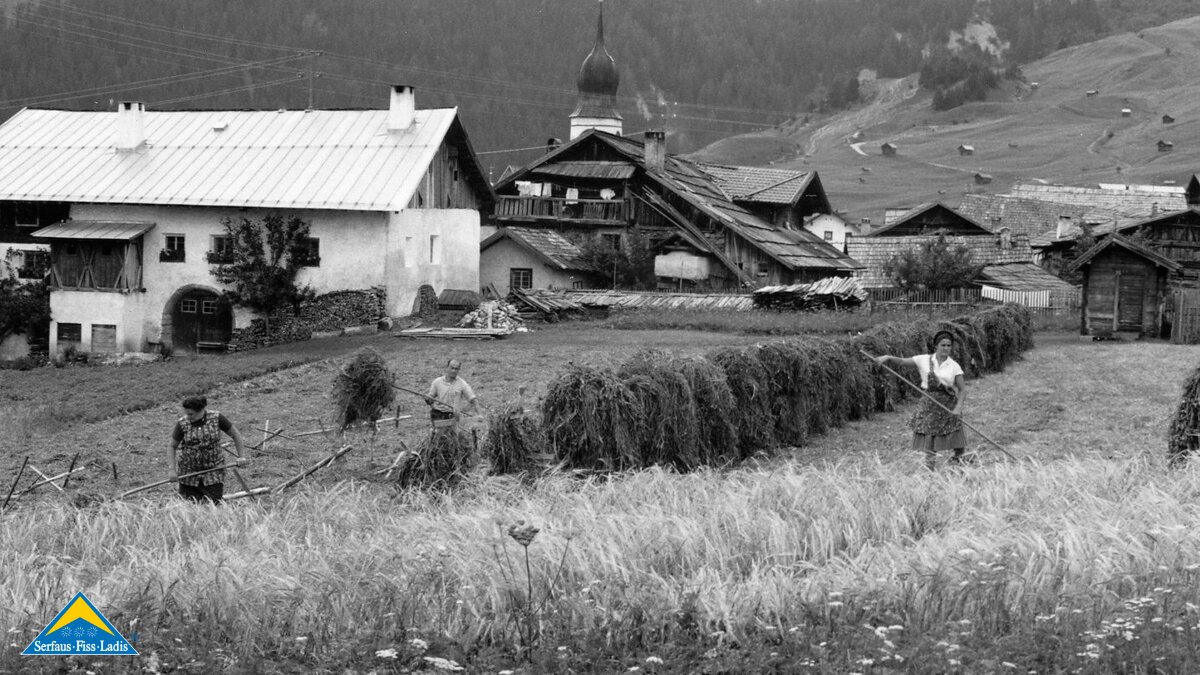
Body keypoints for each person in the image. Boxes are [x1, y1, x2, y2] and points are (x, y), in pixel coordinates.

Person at [874, 330, 969, 469]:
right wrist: (887, 357)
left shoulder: (954, 366)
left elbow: (962, 390)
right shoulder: (923, 360)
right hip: (929, 405)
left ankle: (959, 461)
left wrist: (958, 408)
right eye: (943, 345)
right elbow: (901, 362)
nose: (946, 348)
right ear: (936, 346)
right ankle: (930, 468)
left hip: (948, 404)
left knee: (956, 434)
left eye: (949, 345)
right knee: (930, 436)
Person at [167, 396, 247, 504]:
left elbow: (235, 435)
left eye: (191, 414)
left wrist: (241, 456)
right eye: (186, 414)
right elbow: (172, 446)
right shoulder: (183, 423)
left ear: (201, 410)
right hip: (189, 473)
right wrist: (172, 470)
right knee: (190, 506)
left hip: (213, 471)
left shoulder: (216, 418)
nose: (188, 417)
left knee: (213, 503)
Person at [425, 358, 479, 427]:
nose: (453, 371)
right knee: (440, 434)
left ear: (459, 370)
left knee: (454, 434)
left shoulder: (462, 383)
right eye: (452, 368)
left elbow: (473, 399)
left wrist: (479, 414)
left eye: (456, 369)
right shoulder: (437, 382)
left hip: (453, 415)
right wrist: (428, 399)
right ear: (447, 368)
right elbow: (430, 398)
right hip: (438, 414)